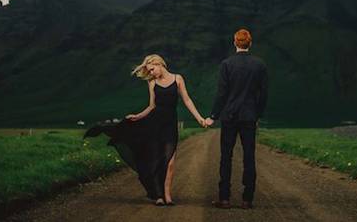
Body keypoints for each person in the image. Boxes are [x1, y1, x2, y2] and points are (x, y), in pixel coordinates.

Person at [84, 54, 206, 206]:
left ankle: (168, 195)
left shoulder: (178, 79)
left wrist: (199, 118)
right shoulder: (152, 82)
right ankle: (160, 196)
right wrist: (138, 116)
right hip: (154, 124)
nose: (151, 73)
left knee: (170, 162)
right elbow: (152, 106)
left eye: (152, 69)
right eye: (149, 71)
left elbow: (187, 100)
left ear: (159, 63)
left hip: (170, 125)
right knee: (156, 160)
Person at [205, 28, 268, 209]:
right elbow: (263, 94)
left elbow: (222, 94)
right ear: (250, 43)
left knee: (226, 156)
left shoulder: (227, 64)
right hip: (249, 116)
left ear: (235, 42)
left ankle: (224, 198)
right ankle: (247, 199)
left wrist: (213, 116)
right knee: (249, 156)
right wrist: (258, 114)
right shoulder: (259, 65)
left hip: (229, 116)